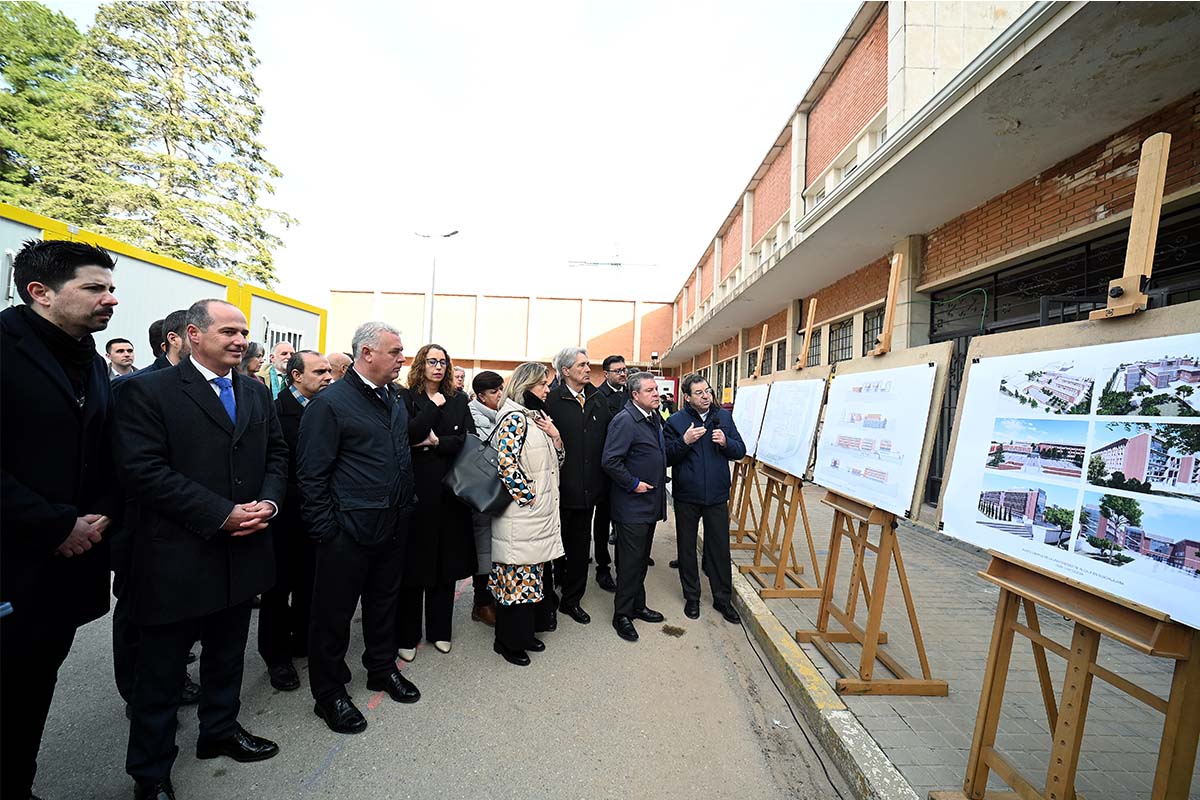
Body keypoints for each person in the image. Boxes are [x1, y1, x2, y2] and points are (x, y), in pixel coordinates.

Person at [116, 299, 287, 799]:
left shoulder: (254, 394)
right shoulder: (147, 391)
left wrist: (269, 505)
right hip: (177, 557)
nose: (240, 341)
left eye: (244, 333)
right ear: (193, 334)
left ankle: (219, 732)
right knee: (162, 676)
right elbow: (143, 471)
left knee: (227, 655)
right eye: (229, 332)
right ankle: (150, 774)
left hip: (245, 551)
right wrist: (221, 513)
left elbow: (277, 454)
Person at [1, 239, 121, 800]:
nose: (111, 300)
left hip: (65, 571)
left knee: (30, 692)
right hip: (12, 561)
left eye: (111, 288)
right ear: (40, 293)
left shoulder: (92, 363)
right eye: (95, 288)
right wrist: (54, 525)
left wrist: (97, 517)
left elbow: (95, 450)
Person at [297, 322, 420, 734]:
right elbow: (311, 476)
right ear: (367, 353)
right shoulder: (330, 404)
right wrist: (326, 532)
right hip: (345, 533)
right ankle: (329, 693)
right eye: (396, 351)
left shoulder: (395, 399)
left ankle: (381, 669)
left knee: (384, 606)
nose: (403, 358)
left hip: (393, 525)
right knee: (332, 616)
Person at [110, 307, 201, 717]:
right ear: (178, 339)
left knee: (178, 614)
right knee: (137, 614)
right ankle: (136, 692)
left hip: (190, 524)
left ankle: (173, 676)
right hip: (142, 525)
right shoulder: (137, 386)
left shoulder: (213, 388)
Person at [396, 343, 476, 659]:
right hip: (417, 492)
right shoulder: (405, 397)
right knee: (414, 566)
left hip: (450, 492)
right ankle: (408, 635)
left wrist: (437, 441)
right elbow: (408, 433)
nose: (438, 367)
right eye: (432, 361)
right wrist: (433, 406)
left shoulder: (458, 400)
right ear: (420, 365)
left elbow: (467, 439)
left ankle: (440, 631)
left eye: (443, 362)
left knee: (445, 565)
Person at [259, 350, 332, 691]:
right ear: (297, 376)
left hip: (320, 516)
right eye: (320, 371)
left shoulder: (329, 409)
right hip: (285, 517)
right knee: (278, 589)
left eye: (330, 370)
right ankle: (276, 657)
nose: (328, 376)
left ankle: (302, 641)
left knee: (312, 585)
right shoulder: (275, 411)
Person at [488, 362, 566, 665]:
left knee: (531, 579)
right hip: (522, 515)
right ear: (526, 385)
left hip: (536, 515)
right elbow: (505, 463)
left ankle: (523, 635)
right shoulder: (514, 418)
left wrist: (556, 436)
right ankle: (508, 643)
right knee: (516, 580)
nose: (548, 389)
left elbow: (556, 462)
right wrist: (527, 496)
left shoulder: (535, 419)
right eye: (542, 384)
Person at [664, 373, 745, 623]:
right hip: (687, 495)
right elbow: (666, 456)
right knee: (686, 548)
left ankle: (723, 599)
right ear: (687, 397)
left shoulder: (724, 418)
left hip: (717, 495)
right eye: (698, 393)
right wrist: (684, 441)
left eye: (707, 391)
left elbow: (740, 450)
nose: (706, 396)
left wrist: (726, 442)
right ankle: (692, 597)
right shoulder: (676, 422)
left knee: (719, 548)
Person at [544, 347, 614, 622]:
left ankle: (571, 601)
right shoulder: (552, 401)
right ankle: (549, 596)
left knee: (579, 548)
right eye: (582, 365)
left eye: (588, 365)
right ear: (565, 371)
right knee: (550, 548)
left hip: (588, 491)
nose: (588, 369)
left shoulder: (598, 400)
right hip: (557, 489)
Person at [602, 371, 668, 643]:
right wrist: (633, 484)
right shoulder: (625, 420)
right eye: (650, 390)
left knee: (640, 561)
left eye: (656, 389)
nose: (656, 394)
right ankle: (622, 615)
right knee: (629, 564)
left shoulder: (651, 418)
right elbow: (610, 461)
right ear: (635, 395)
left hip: (648, 505)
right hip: (632, 505)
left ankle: (638, 605)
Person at [466, 370, 506, 627]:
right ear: (480, 396)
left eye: (501, 389)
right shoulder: (470, 415)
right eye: (494, 392)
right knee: (482, 549)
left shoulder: (505, 414)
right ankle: (481, 602)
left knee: (497, 547)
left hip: (501, 491)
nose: (500, 395)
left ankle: (493, 597)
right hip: (481, 490)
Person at [592, 354, 629, 589]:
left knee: (625, 517)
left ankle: (628, 561)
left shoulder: (631, 394)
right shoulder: (597, 397)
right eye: (617, 371)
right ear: (606, 374)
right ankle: (602, 566)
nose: (623, 374)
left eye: (624, 370)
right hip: (605, 467)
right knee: (603, 519)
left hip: (627, 467)